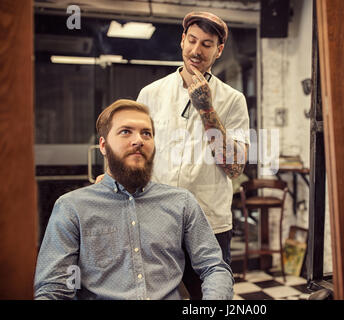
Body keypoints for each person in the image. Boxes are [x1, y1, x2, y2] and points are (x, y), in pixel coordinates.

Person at [34, 99, 234, 300]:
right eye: (125, 132)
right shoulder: (72, 208)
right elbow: (54, 289)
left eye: (146, 133)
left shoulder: (181, 203)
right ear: (103, 146)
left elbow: (214, 267)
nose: (139, 140)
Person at [136, 11, 250, 299]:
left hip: (209, 224)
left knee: (209, 298)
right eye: (192, 40)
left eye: (207, 44)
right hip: (156, 222)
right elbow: (135, 154)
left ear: (219, 50)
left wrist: (206, 108)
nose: (196, 51)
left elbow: (236, 167)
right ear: (182, 40)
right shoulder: (150, 94)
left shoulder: (233, 100)